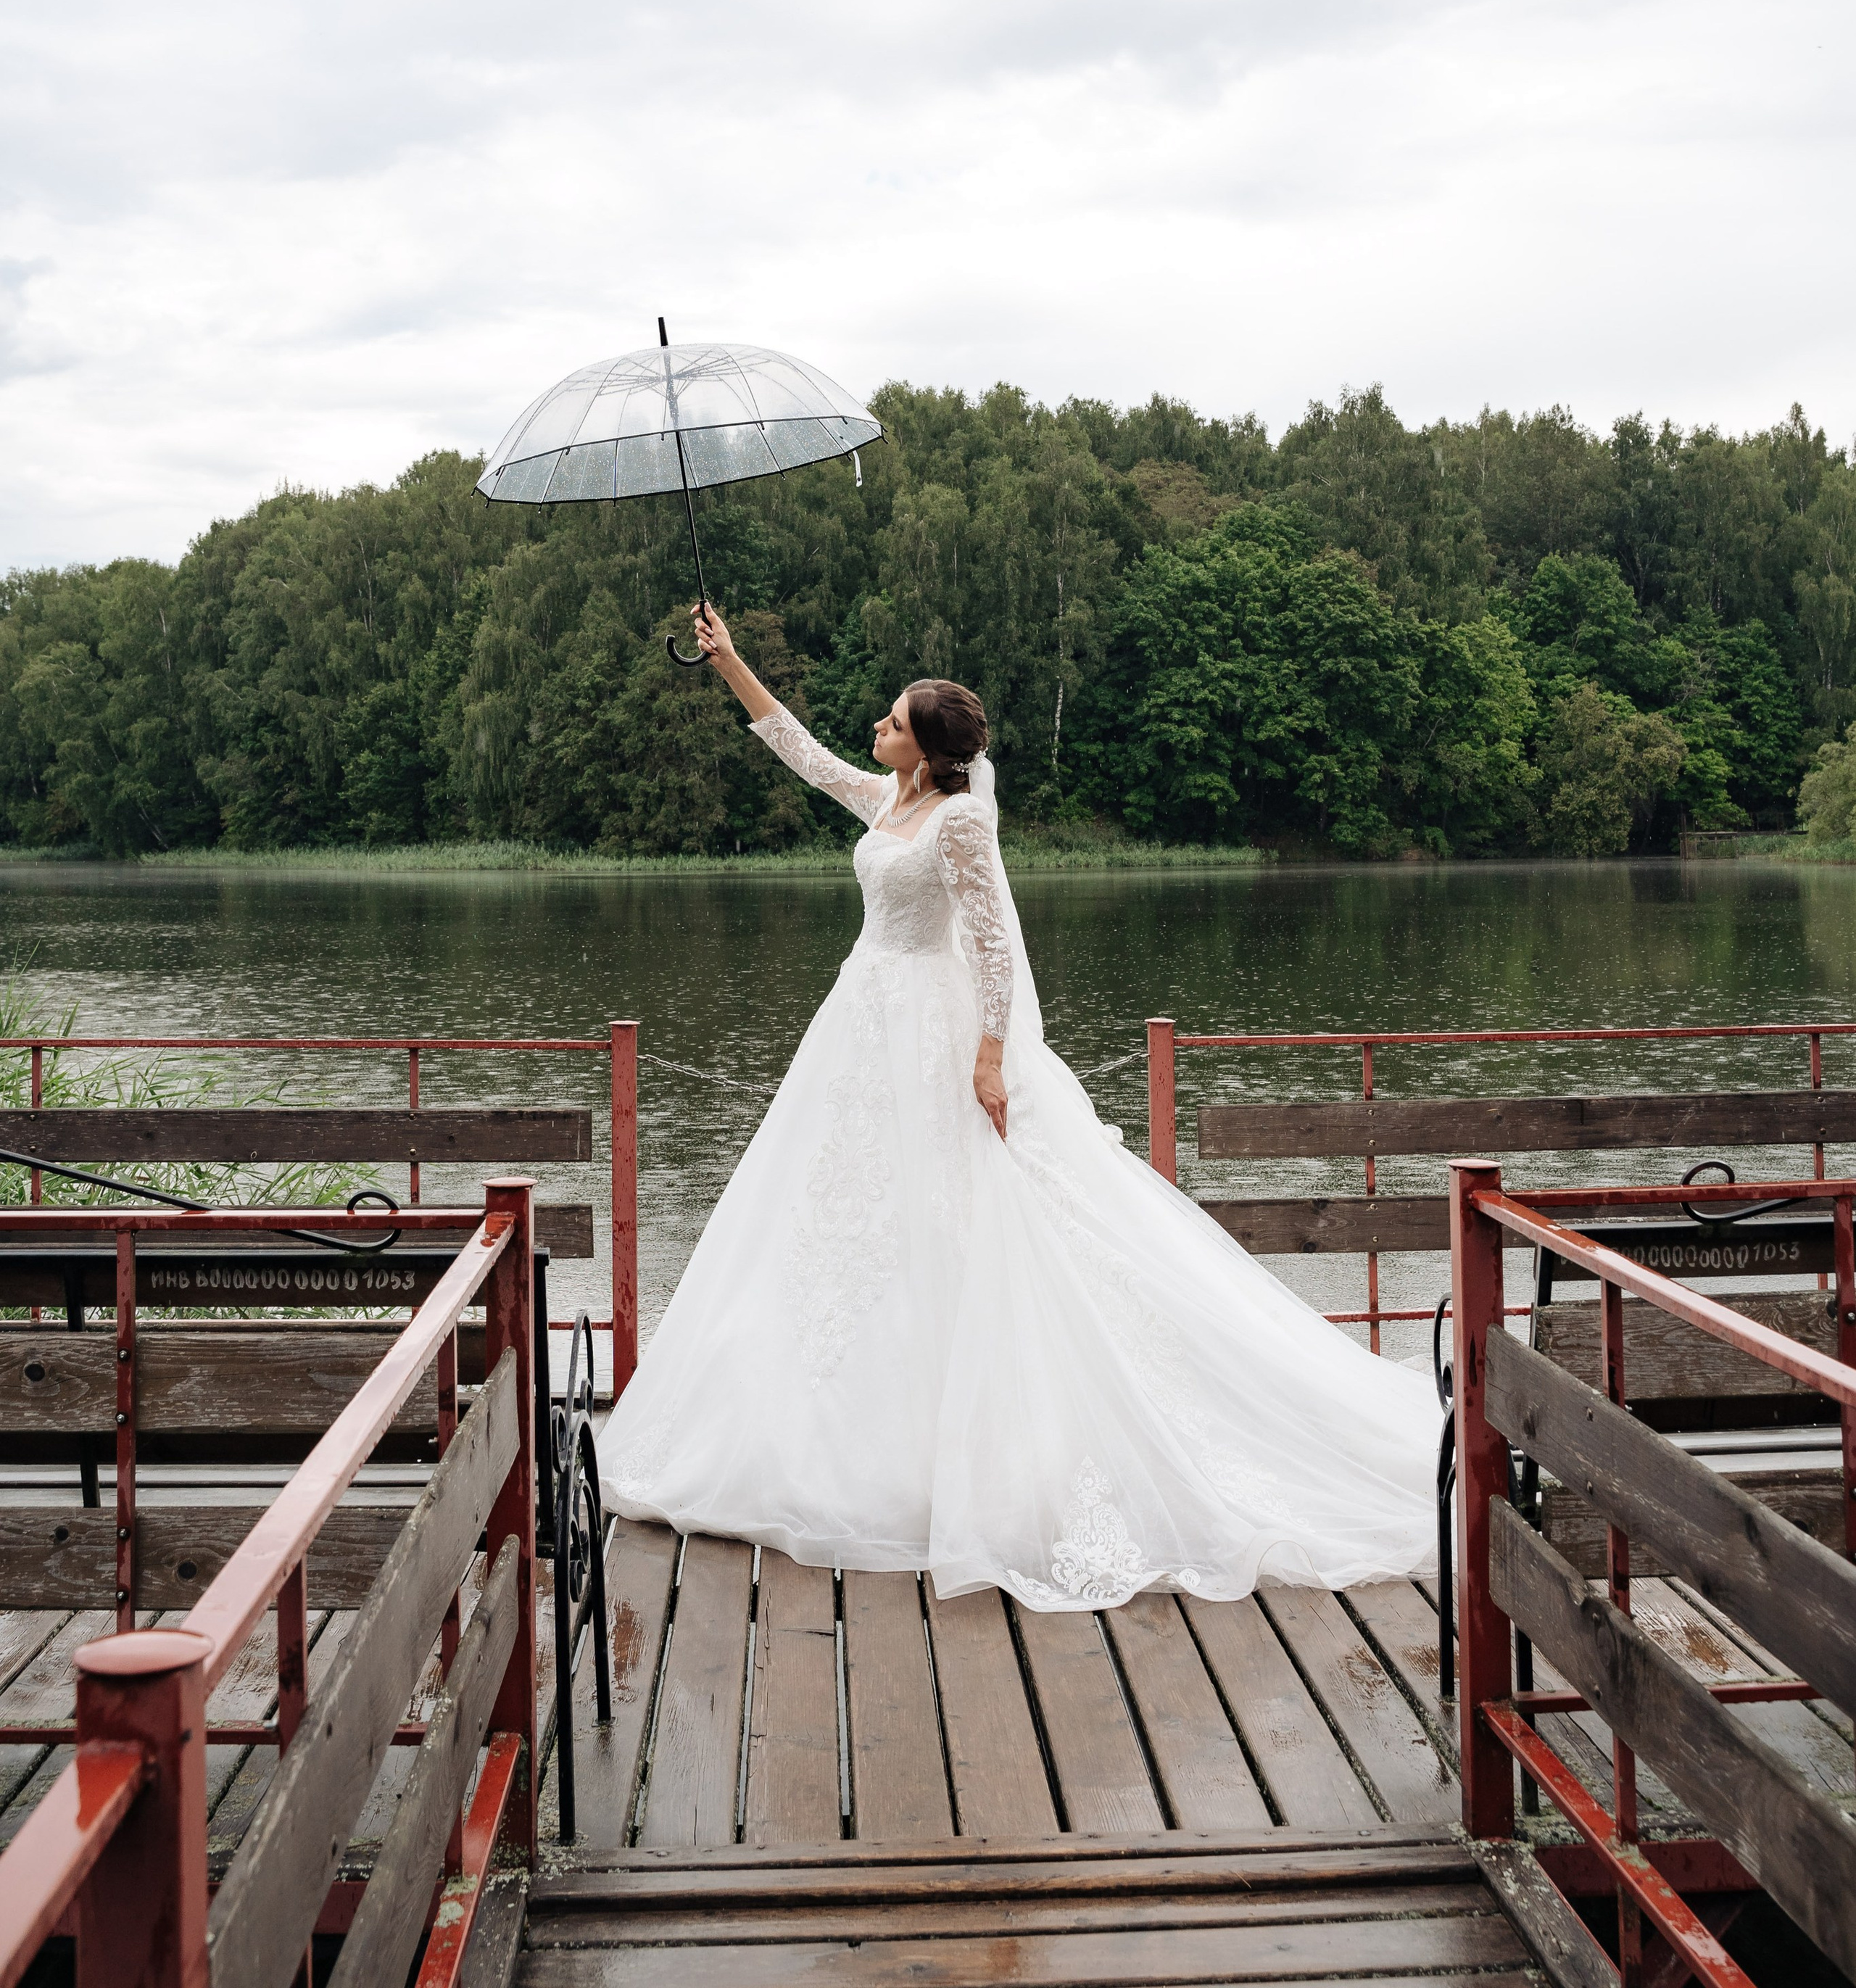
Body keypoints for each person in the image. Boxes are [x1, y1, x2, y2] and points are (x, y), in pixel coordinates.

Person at [597, 607, 1439, 1608]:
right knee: (844, 1219)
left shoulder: (960, 818)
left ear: (928, 746)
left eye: (892, 719)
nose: (876, 726)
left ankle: (979, 1446)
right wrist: (728, 660)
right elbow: (805, 754)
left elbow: (993, 943)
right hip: (862, 1023)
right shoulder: (890, 802)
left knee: (962, 1214)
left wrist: (992, 1058)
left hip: (934, 1029)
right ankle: (838, 1425)